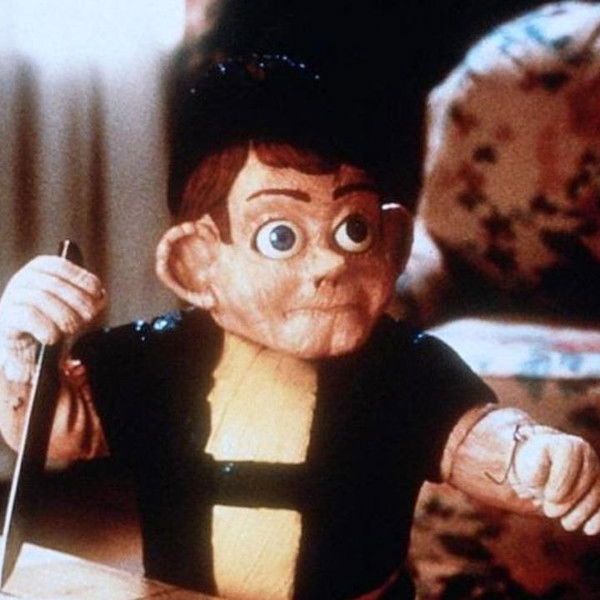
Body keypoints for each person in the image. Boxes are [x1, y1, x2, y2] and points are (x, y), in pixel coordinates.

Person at [0, 54, 599, 600]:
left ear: (392, 243)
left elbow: (468, 437)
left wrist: (534, 460)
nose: (331, 263)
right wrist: (22, 350)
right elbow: (54, 433)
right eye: (280, 236)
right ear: (196, 264)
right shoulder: (154, 359)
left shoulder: (401, 370)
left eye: (353, 231)